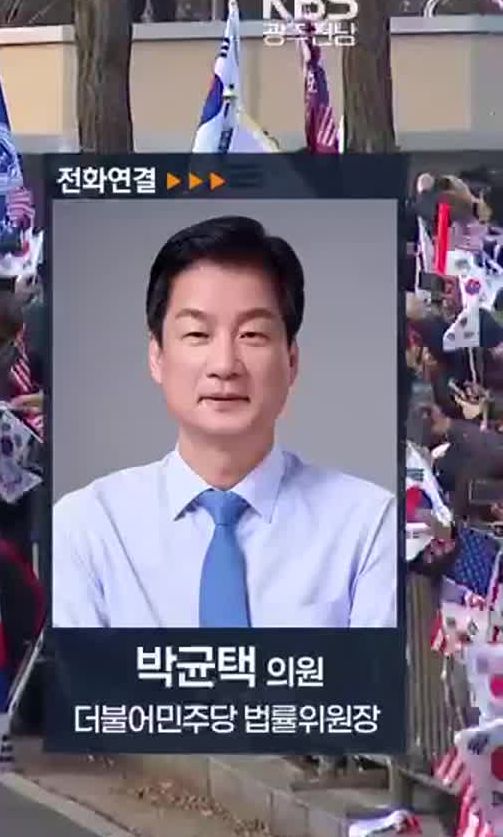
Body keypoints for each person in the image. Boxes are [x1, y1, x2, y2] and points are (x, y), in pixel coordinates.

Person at [52, 215, 398, 628]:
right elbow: (87, 690)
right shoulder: (87, 527)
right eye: (197, 335)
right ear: (157, 357)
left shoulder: (367, 526)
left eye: (252, 335)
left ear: (291, 361)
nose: (224, 365)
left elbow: (369, 690)